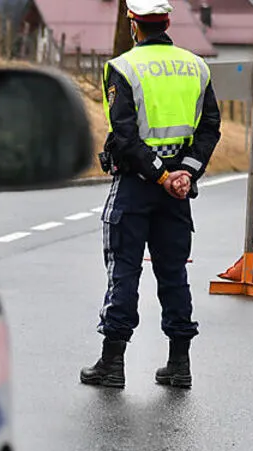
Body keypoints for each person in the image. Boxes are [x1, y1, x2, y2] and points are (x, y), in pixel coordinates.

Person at [79, 0, 221, 390]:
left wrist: (159, 175)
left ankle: (112, 363)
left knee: (124, 269)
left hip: (137, 185)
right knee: (173, 273)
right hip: (176, 191)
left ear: (133, 24)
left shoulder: (122, 68)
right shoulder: (198, 67)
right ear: (168, 21)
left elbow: (124, 137)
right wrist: (184, 175)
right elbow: (210, 128)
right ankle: (179, 364)